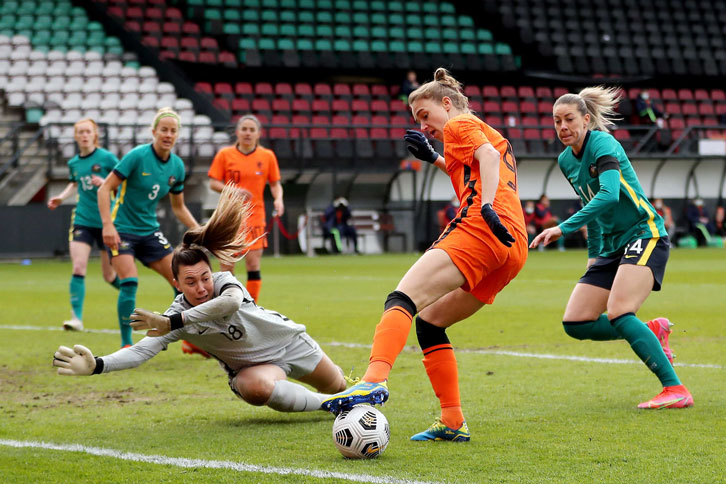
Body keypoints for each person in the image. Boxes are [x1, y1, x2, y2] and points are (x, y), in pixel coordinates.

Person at [321, 68, 528, 442]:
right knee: (430, 322)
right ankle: (452, 421)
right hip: (513, 245)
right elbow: (476, 166)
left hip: (482, 228)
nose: (424, 125)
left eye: (424, 116)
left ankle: (373, 381)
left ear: (446, 103)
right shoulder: (479, 127)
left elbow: (486, 161)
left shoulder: (458, 125)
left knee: (402, 298)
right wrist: (434, 158)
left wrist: (485, 208)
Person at [52, 184, 348, 414]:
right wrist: (98, 365)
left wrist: (174, 322)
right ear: (176, 283)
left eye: (205, 277)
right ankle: (325, 406)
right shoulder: (174, 315)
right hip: (252, 370)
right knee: (255, 389)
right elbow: (141, 351)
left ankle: (339, 397)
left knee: (343, 387)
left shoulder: (224, 283)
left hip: (290, 343)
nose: (202, 287)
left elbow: (229, 305)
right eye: (190, 282)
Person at [530, 86, 693, 410]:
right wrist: (595, 255)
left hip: (644, 234)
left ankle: (676, 389)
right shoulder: (566, 160)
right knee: (576, 322)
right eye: (556, 121)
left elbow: (609, 195)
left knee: (619, 311)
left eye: (569, 120)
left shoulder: (603, 143)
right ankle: (651, 330)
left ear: (586, 120)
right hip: (612, 245)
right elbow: (593, 207)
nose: (563, 127)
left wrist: (563, 227)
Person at [97, 107, 199, 348]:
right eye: (163, 129)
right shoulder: (137, 156)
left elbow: (179, 207)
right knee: (130, 281)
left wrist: (198, 229)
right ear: (154, 131)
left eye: (173, 131)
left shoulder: (177, 166)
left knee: (180, 280)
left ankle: (179, 335)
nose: (168, 134)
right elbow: (104, 189)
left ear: (177, 135)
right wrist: (107, 226)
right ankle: (125, 344)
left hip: (149, 231)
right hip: (121, 228)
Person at [47, 118, 121, 331]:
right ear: (75, 136)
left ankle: (130, 295)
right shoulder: (74, 163)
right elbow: (74, 182)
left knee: (109, 276)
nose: (84, 135)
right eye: (80, 132)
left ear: (95, 134)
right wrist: (61, 197)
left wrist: (105, 181)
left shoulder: (106, 157)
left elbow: (121, 180)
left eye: (88, 131)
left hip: (107, 222)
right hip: (83, 220)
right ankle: (76, 319)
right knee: (79, 266)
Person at [207, 114, 284, 303]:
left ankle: (251, 306)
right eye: (244, 129)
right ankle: (225, 305)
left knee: (253, 263)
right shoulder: (225, 155)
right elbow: (213, 183)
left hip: (255, 217)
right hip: (229, 217)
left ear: (258, 134)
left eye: (252, 130)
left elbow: (275, 184)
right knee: (226, 266)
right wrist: (234, 189)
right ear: (237, 132)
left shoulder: (267, 156)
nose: (247, 133)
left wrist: (279, 199)